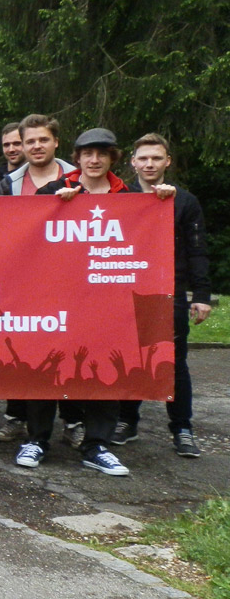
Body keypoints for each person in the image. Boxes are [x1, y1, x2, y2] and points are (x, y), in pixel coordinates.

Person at [16, 128, 160, 476]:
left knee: (106, 366)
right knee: (45, 365)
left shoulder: (129, 196)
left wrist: (162, 199)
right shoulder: (53, 190)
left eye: (102, 154)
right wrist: (53, 204)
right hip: (55, 297)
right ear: (77, 158)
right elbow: (23, 231)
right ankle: (36, 439)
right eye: (87, 154)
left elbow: (149, 235)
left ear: (112, 158)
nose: (94, 160)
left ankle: (96, 445)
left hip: (107, 300)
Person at [114, 133, 210, 458]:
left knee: (174, 361)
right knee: (131, 356)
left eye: (156, 158)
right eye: (143, 158)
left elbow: (197, 251)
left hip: (171, 292)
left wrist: (202, 295)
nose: (150, 164)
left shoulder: (184, 201)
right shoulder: (120, 197)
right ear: (133, 162)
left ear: (167, 161)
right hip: (126, 290)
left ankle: (182, 428)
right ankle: (127, 422)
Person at [0, 114, 76, 445]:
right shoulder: (8, 183)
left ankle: (72, 421)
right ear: (21, 146)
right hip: (22, 278)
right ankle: (16, 417)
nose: (36, 146)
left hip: (68, 278)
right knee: (19, 347)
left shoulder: (77, 176)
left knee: (68, 349)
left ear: (55, 141)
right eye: (30, 141)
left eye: (43, 140)